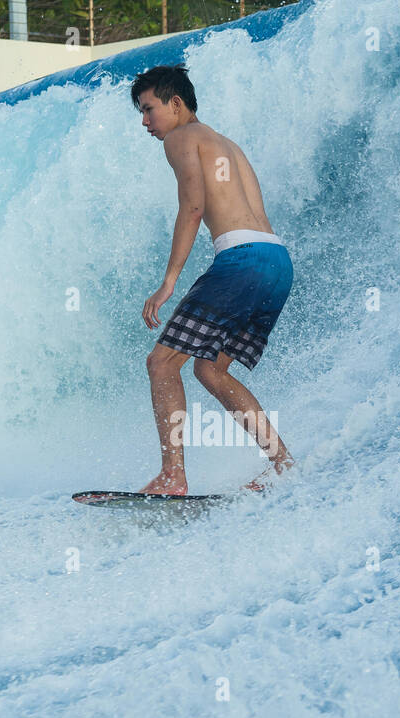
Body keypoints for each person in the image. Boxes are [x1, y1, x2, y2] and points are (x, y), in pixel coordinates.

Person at [131, 64, 295, 495]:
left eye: (149, 110)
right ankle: (282, 463)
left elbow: (193, 207)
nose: (145, 121)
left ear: (176, 103)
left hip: (240, 260)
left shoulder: (181, 138)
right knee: (210, 369)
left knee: (161, 363)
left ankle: (173, 476)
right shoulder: (226, 145)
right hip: (276, 262)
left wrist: (168, 281)